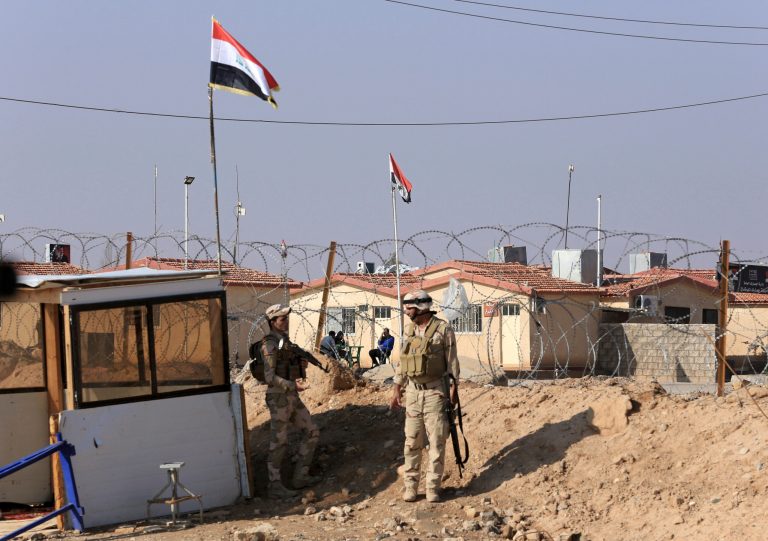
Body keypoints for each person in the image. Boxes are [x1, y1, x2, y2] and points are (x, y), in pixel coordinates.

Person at [389, 290, 459, 503]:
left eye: (409, 307)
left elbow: (452, 364)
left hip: (435, 393)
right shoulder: (409, 331)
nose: (406, 311)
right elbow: (403, 362)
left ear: (421, 307)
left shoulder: (443, 330)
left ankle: (432, 488)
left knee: (437, 442)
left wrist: (454, 392)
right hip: (412, 393)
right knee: (411, 442)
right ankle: (411, 486)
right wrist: (396, 388)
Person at [261, 303, 321, 499]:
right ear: (273, 322)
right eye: (282, 319)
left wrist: (300, 366)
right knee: (279, 442)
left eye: (286, 318)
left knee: (312, 431)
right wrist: (290, 385)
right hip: (279, 397)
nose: (285, 321)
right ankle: (274, 485)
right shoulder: (270, 344)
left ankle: (300, 477)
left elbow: (286, 366)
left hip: (291, 396)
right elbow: (269, 377)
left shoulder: (284, 341)